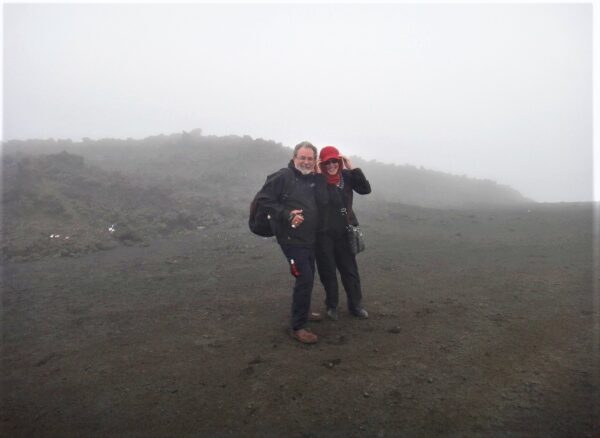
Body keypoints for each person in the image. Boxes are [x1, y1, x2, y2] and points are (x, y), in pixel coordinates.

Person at [259, 141, 328, 344]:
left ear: (315, 161)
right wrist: (287, 215)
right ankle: (298, 326)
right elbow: (264, 200)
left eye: (310, 159)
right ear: (294, 158)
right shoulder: (283, 176)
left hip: (309, 238)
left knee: (309, 275)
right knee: (304, 277)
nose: (306, 162)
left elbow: (323, 201)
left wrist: (318, 175)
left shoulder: (312, 179)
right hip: (290, 239)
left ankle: (303, 312)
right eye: (302, 158)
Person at [316, 145, 371, 321]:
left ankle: (356, 305)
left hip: (344, 231)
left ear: (339, 162)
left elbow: (365, 189)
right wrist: (318, 175)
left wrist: (352, 167)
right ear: (322, 164)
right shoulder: (317, 180)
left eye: (335, 161)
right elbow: (322, 199)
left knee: (350, 270)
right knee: (328, 271)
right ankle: (332, 306)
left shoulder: (347, 176)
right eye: (327, 162)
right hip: (323, 233)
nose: (331, 165)